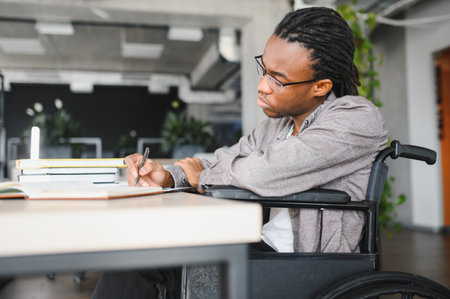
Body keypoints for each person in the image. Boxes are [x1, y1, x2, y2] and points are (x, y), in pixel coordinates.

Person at [92, 6, 387, 299]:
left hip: (305, 265)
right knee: (135, 250)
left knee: (145, 250)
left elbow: (266, 171)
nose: (262, 86)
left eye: (278, 79)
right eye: (264, 69)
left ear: (321, 86)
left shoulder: (357, 119)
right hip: (261, 247)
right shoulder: (278, 125)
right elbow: (224, 158)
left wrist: (203, 176)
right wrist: (170, 176)